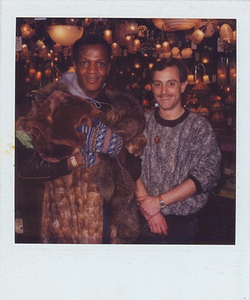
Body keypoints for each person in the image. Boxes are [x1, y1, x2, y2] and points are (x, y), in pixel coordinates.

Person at [15, 34, 145, 244]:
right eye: (85, 62)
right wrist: (73, 161)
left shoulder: (123, 111)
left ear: (108, 67)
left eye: (100, 63)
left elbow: (135, 170)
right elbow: (24, 169)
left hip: (111, 226)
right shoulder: (53, 105)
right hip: (66, 225)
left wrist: (116, 147)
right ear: (75, 64)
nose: (92, 71)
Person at [136, 58, 221, 244]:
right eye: (158, 84)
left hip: (183, 224)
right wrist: (148, 208)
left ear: (183, 86)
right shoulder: (141, 122)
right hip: (141, 219)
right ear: (152, 87)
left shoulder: (199, 127)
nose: (164, 92)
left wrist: (158, 202)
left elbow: (205, 175)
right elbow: (128, 164)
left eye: (171, 84)